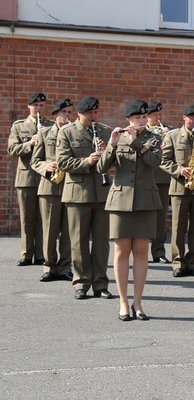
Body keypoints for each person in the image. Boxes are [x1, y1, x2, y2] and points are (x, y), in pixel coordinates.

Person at [97, 100, 162, 321]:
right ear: (128, 120)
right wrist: (112, 145)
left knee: (142, 251)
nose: (142, 121)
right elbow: (101, 167)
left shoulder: (155, 137)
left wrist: (136, 143)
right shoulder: (117, 137)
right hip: (120, 200)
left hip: (145, 200)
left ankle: (138, 302)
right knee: (121, 251)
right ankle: (123, 303)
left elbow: (155, 162)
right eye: (138, 118)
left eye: (144, 117)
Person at [56, 96, 113, 300]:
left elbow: (115, 162)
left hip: (101, 192)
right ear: (79, 113)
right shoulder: (68, 132)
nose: (93, 116)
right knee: (78, 242)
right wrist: (86, 161)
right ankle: (81, 283)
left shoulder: (105, 131)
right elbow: (62, 162)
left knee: (101, 242)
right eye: (89, 113)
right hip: (78, 194)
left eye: (95, 112)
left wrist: (107, 152)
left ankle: (100, 283)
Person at [160, 104, 194, 277]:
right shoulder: (173, 136)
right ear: (184, 117)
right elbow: (163, 160)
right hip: (180, 187)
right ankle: (178, 263)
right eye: (192, 118)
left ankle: (193, 263)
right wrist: (178, 170)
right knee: (178, 227)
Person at [31, 98, 74, 282]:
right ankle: (49, 266)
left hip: (70, 187)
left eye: (70, 113)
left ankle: (65, 267)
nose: (67, 116)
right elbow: (35, 161)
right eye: (64, 112)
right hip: (49, 187)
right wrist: (47, 167)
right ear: (55, 114)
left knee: (68, 230)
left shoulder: (74, 133)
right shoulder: (44, 133)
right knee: (49, 230)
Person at [8, 92, 52, 266]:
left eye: (41, 105)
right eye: (35, 106)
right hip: (26, 177)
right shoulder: (19, 126)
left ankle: (40, 254)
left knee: (43, 218)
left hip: (44, 177)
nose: (38, 109)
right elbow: (12, 150)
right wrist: (30, 144)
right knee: (27, 217)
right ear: (29, 106)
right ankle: (26, 253)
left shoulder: (49, 125)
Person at [146, 102, 172, 264]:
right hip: (146, 177)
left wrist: (167, 137)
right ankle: (139, 252)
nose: (159, 117)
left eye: (160, 114)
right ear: (148, 116)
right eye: (156, 115)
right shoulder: (142, 131)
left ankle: (158, 252)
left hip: (162, 178)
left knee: (161, 218)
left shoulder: (167, 130)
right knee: (142, 216)